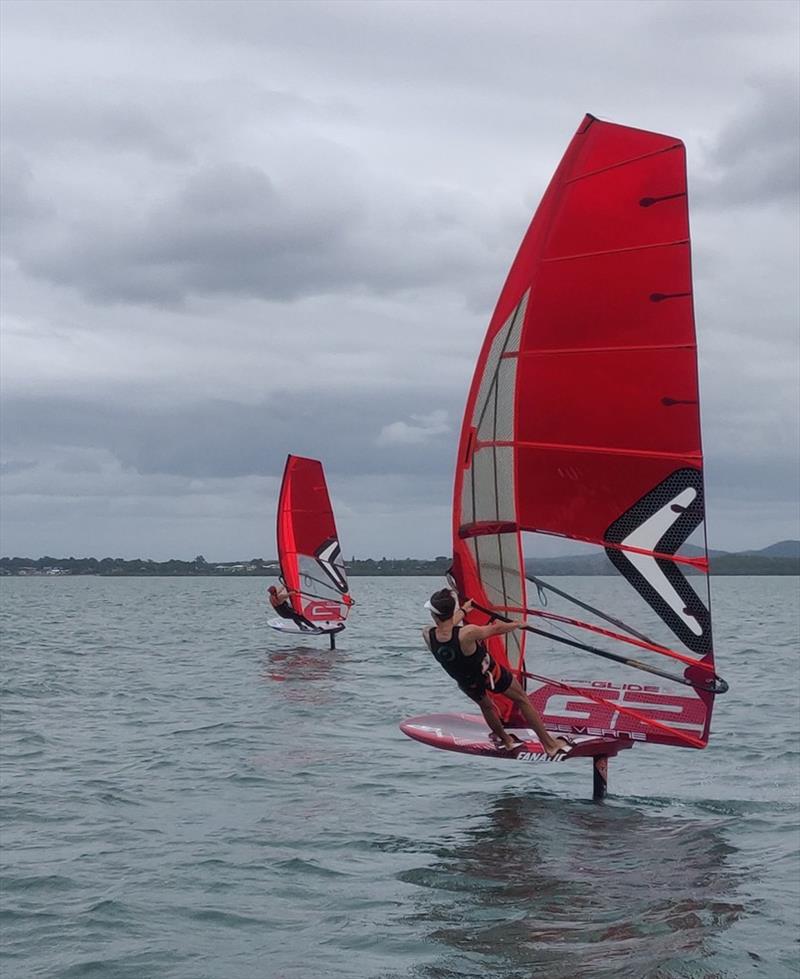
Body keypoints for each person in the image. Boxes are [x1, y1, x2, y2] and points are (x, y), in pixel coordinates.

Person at [422, 588, 572, 757]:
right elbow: (495, 629)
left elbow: (448, 628)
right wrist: (516, 624)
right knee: (522, 699)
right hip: (490, 675)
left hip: (466, 682)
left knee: (486, 706)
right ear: (451, 611)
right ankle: (550, 745)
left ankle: (506, 740)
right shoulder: (469, 633)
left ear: (434, 615)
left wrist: (463, 611)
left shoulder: (427, 634)